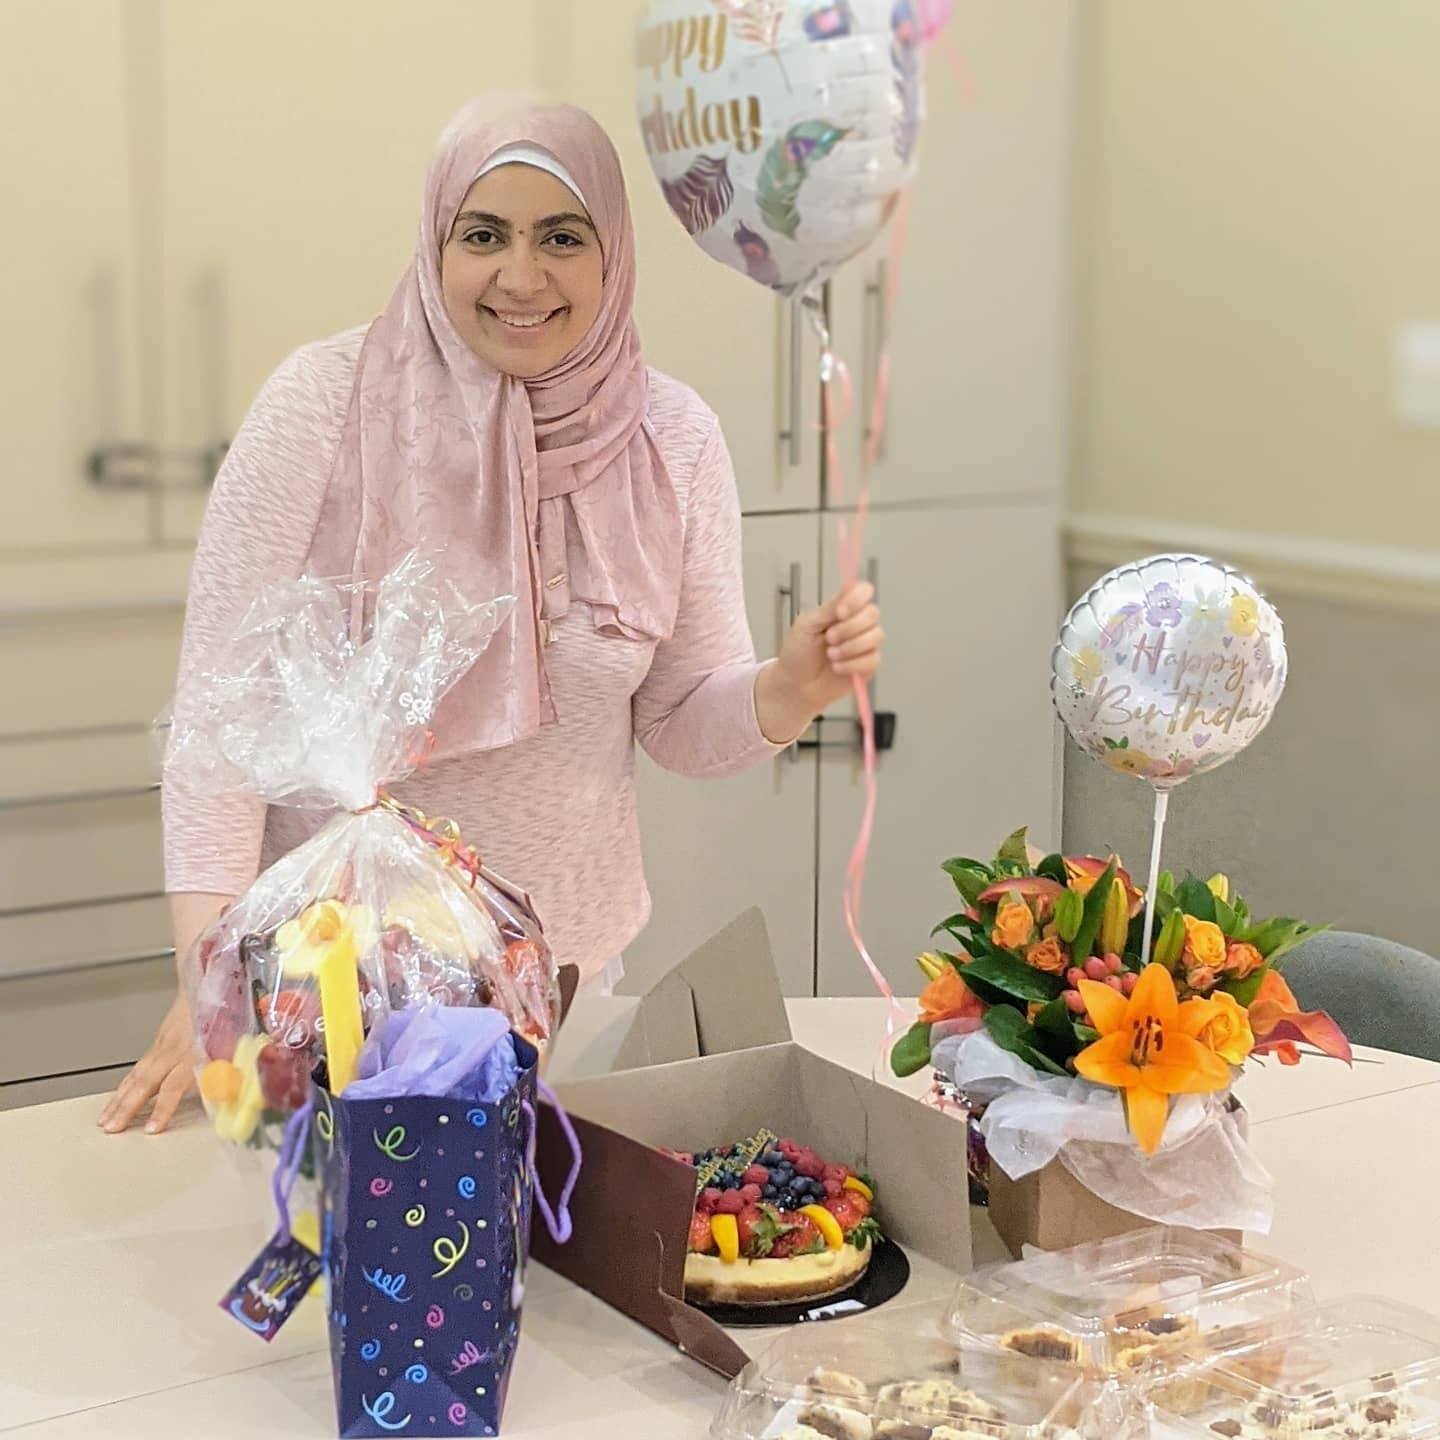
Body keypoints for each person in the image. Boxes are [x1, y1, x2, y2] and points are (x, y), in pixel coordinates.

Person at [99, 97, 883, 1135]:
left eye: (562, 237)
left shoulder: (672, 438)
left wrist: (787, 691)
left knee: (549, 1281)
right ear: (436, 244)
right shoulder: (323, 406)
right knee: (346, 1279)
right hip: (330, 993)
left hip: (567, 987)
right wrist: (214, 989)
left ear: (615, 255)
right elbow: (218, 733)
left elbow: (683, 720)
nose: (521, 277)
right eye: (484, 235)